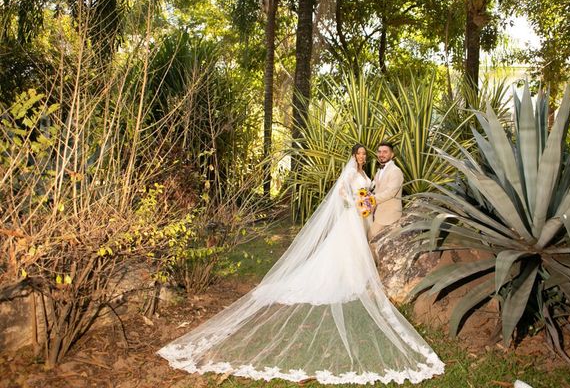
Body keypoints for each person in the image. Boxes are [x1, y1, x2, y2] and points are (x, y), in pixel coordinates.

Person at [157, 144, 444, 385]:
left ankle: (356, 277)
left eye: (367, 154)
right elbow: (343, 193)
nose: (365, 157)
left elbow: (381, 193)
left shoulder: (379, 172)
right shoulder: (351, 173)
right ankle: (346, 278)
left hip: (369, 215)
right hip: (355, 216)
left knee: (359, 250)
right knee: (347, 250)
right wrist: (358, 200)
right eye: (361, 154)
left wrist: (365, 199)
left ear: (384, 155)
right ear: (354, 156)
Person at [369, 142, 404, 240]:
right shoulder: (379, 170)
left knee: (371, 238)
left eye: (385, 152)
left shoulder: (395, 171)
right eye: (379, 152)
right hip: (378, 212)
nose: (381, 154)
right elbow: (376, 188)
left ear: (392, 154)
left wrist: (370, 199)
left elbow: (390, 193)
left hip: (389, 214)